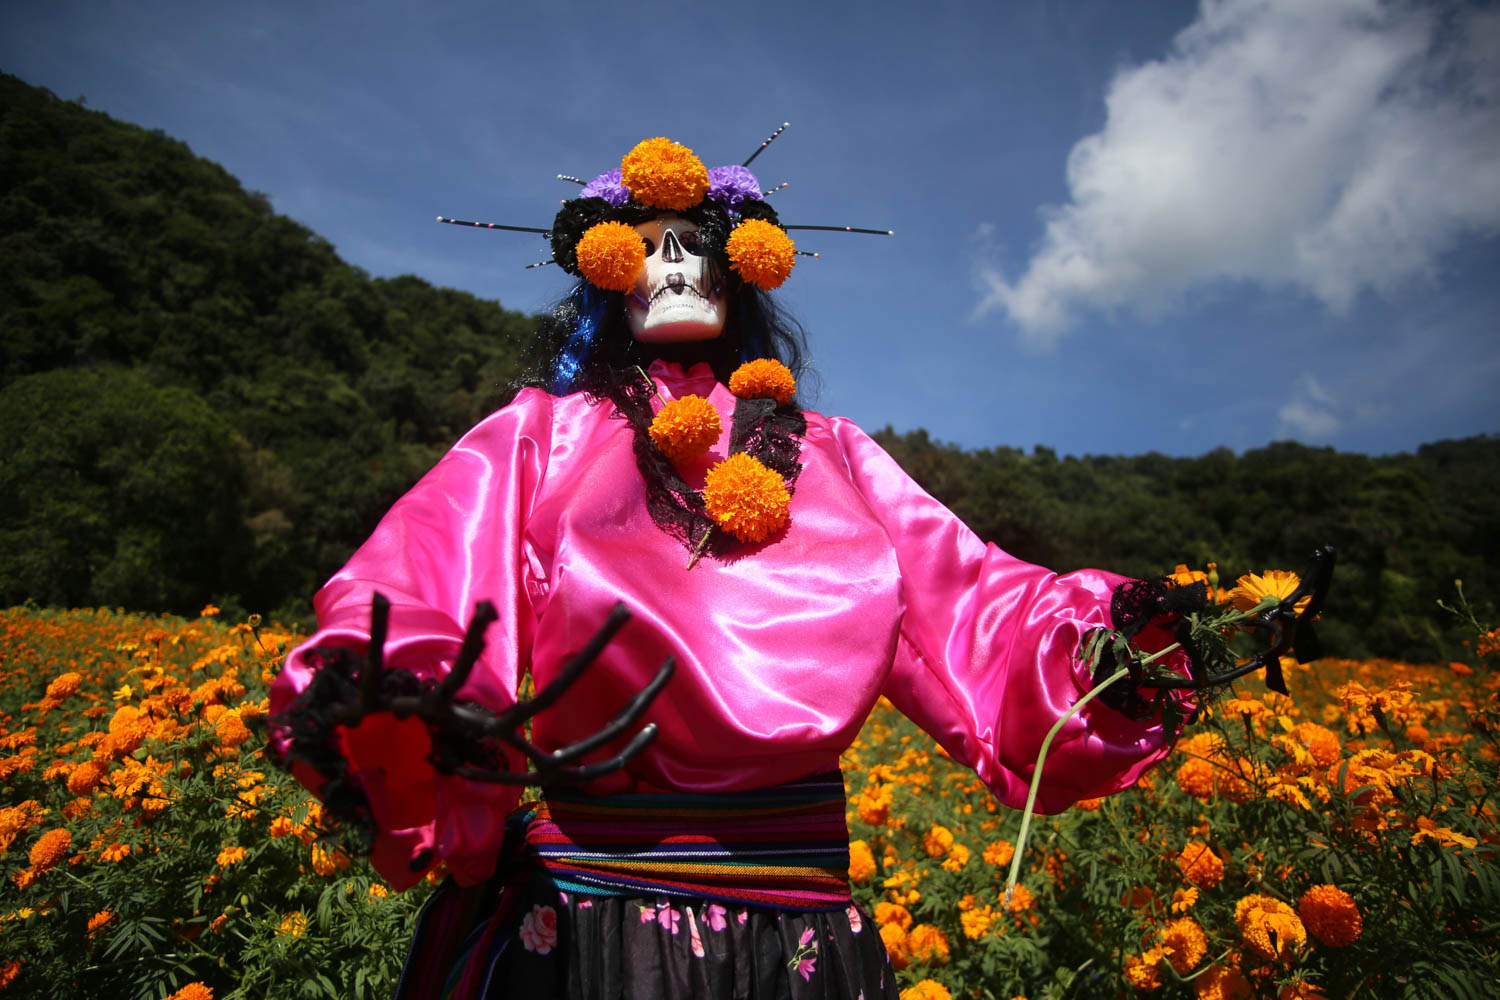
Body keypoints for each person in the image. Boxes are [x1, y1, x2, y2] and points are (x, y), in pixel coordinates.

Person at [269, 135, 1197, 999]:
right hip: (593, 919)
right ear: (607, 275)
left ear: (742, 264)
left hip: (803, 932)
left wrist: (1107, 641)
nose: (671, 264)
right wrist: (402, 684)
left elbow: (972, 598)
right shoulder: (540, 437)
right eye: (645, 247)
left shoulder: (836, 455)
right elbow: (429, 564)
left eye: (694, 246)